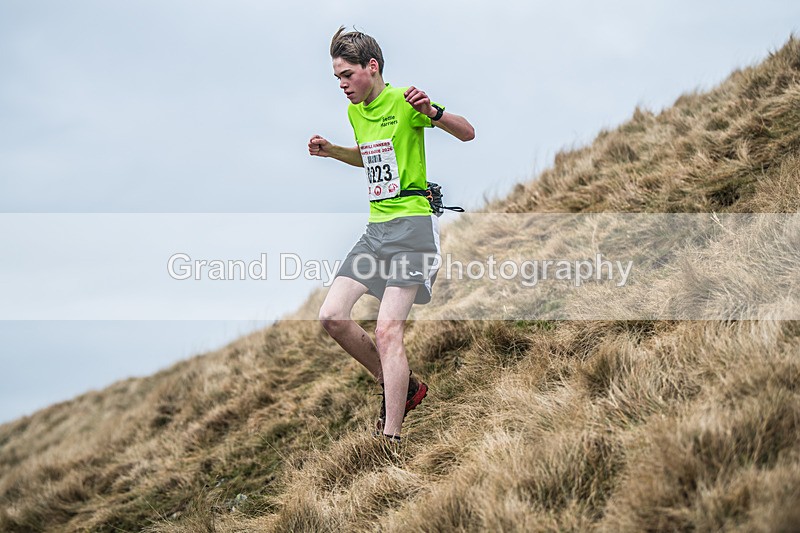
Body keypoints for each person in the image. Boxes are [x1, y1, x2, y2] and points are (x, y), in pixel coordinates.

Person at [308, 27, 474, 442]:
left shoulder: (404, 101)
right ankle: (405, 386)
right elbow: (369, 159)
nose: (342, 85)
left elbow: (467, 132)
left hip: (413, 228)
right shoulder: (355, 113)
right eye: (337, 79)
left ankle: (390, 439)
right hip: (376, 230)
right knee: (332, 315)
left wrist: (433, 112)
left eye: (347, 75)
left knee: (387, 332)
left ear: (372, 67)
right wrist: (333, 151)